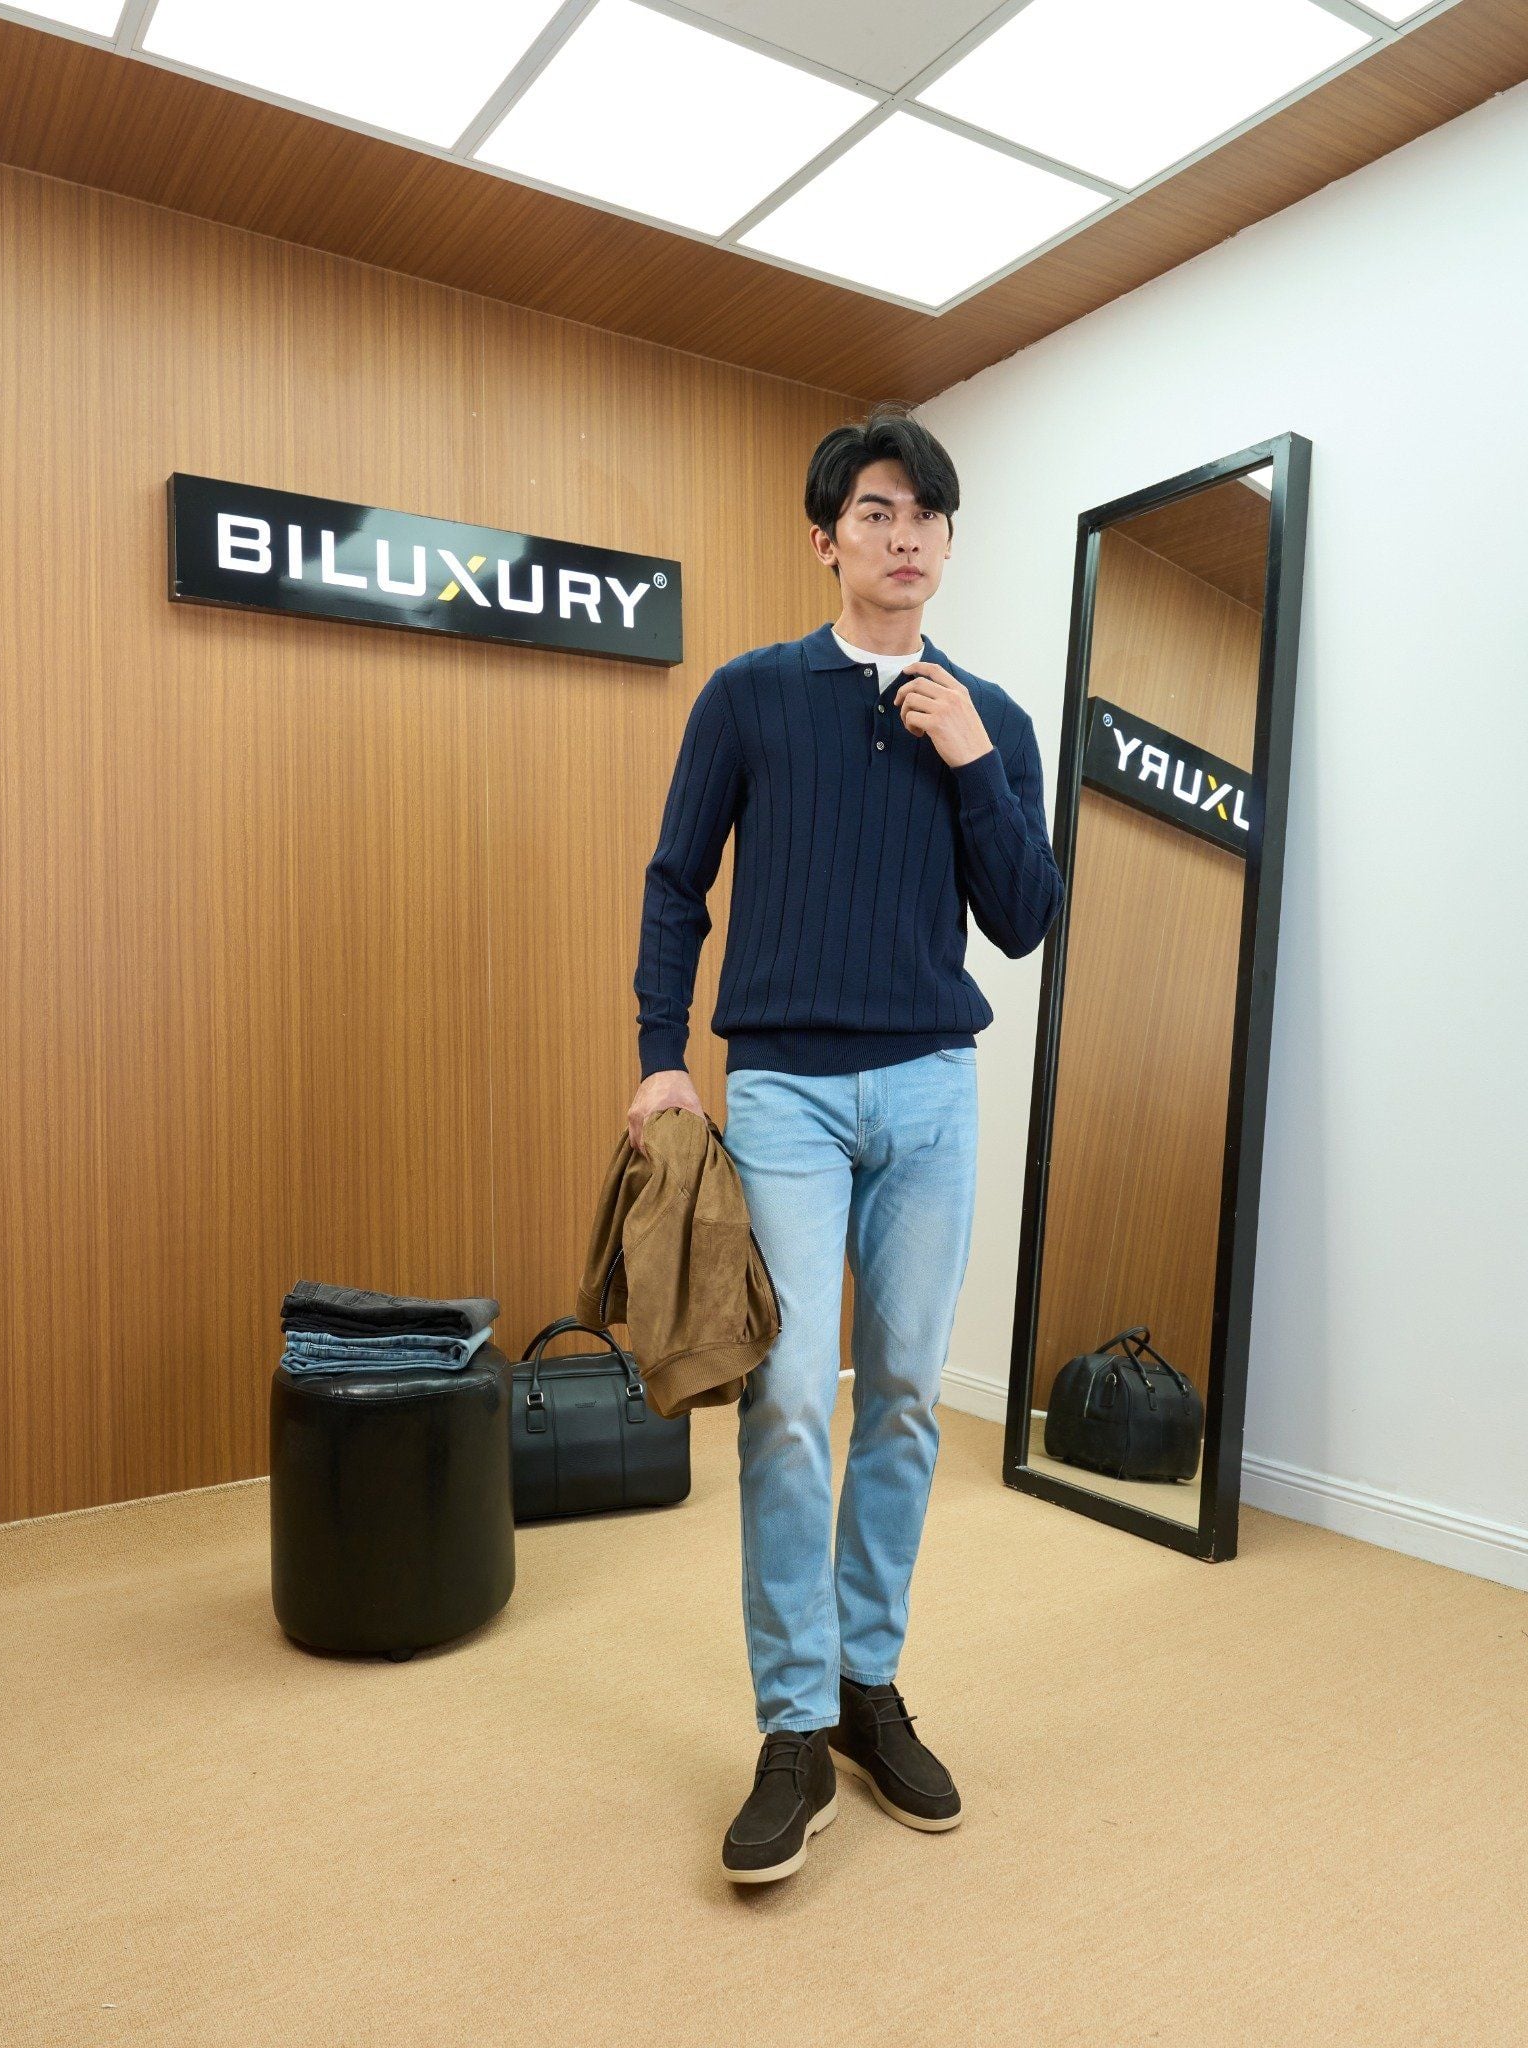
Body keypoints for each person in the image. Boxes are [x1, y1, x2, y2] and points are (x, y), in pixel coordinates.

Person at [625, 401, 1065, 1884]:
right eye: (876, 511)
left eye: (927, 516)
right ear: (827, 538)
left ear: (947, 543)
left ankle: (870, 1686)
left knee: (908, 1403)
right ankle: (795, 1726)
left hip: (933, 1091)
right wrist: (661, 1058)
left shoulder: (990, 716)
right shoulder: (750, 697)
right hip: (789, 1097)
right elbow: (678, 881)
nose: (905, 536)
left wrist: (972, 761)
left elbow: (1025, 918)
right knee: (793, 1400)